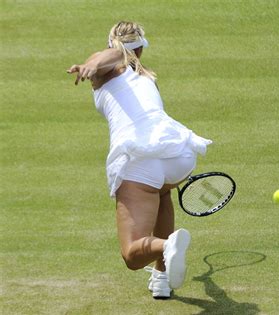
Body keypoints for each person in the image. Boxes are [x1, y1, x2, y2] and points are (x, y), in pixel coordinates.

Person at [67, 21, 212, 299]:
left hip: (140, 160)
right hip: (179, 156)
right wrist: (101, 61)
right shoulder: (147, 76)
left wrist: (91, 66)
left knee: (132, 255)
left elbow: (109, 57)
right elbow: (116, 56)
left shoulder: (107, 68)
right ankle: (162, 276)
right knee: (160, 192)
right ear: (142, 48)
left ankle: (165, 249)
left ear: (112, 44)